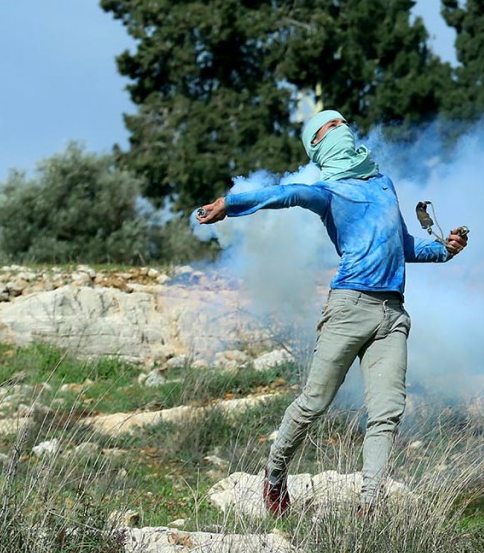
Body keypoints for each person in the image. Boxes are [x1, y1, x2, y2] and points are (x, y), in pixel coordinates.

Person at [196, 110, 468, 517]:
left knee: (387, 413)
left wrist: (445, 250)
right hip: (349, 308)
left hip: (392, 314)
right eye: (330, 127)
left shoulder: (383, 184)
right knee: (314, 403)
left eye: (343, 123)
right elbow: (284, 194)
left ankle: (369, 506)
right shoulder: (327, 190)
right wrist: (229, 204)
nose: (342, 128)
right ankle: (274, 477)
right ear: (317, 146)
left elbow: (403, 246)